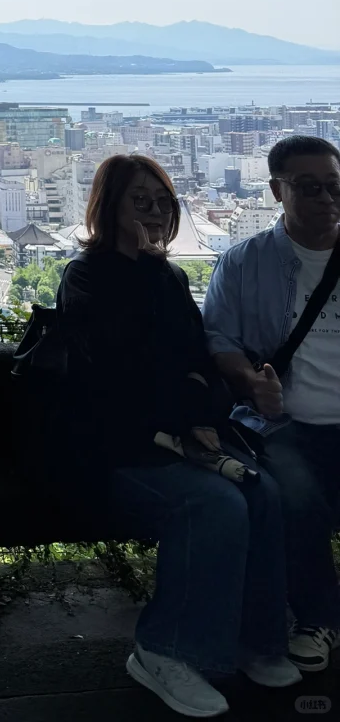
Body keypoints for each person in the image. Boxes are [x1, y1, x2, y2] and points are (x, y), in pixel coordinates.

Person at [56, 154, 299, 717]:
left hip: (179, 438)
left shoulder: (169, 276)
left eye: (164, 201)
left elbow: (195, 361)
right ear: (109, 206)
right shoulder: (87, 277)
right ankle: (162, 649)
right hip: (114, 450)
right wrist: (184, 396)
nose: (155, 210)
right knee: (214, 504)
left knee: (261, 493)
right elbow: (116, 370)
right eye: (141, 200)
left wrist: (195, 403)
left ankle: (255, 641)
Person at [202, 133, 340, 673]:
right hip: (285, 422)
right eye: (309, 188)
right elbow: (218, 338)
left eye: (334, 187)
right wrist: (248, 380)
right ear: (276, 190)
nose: (327, 200)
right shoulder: (242, 264)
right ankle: (318, 616)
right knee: (295, 494)